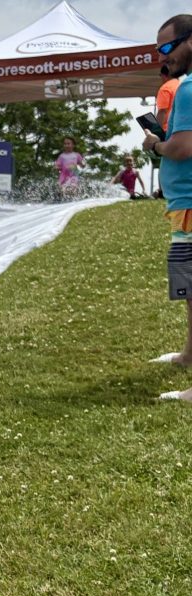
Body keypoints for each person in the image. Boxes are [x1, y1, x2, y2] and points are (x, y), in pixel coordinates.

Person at [143, 14, 192, 401]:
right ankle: (189, 356)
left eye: (166, 47)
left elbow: (182, 147)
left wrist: (155, 144)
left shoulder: (188, 88)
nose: (163, 56)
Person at [156, 65, 180, 200]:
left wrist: (156, 132)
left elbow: (162, 112)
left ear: (164, 75)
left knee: (165, 162)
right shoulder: (182, 85)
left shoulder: (165, 88)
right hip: (183, 128)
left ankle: (163, 192)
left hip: (167, 131)